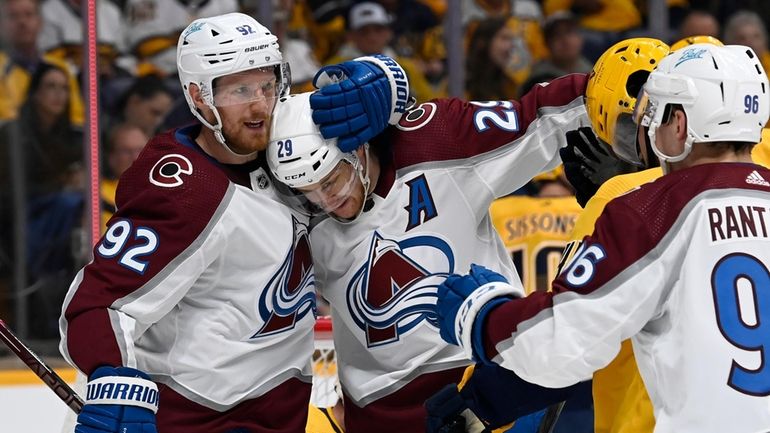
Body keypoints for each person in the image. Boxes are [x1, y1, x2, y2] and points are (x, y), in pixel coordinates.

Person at [58, 11, 409, 433]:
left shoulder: (294, 143)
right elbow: (97, 304)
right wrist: (113, 381)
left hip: (279, 416)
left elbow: (384, 134)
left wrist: (386, 84)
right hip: (194, 419)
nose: (260, 104)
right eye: (239, 89)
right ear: (199, 96)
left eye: (267, 84)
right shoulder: (183, 188)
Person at [434, 43, 770, 432]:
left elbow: (563, 342)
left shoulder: (638, 204)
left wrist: (480, 317)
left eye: (652, 120)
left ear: (679, 123)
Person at [267, 57, 590, 431]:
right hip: (379, 409)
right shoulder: (294, 213)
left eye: (332, 180)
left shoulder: (438, 142)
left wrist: (625, 92)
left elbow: (546, 114)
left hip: (485, 382)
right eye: (308, 193)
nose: (326, 200)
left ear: (358, 149)